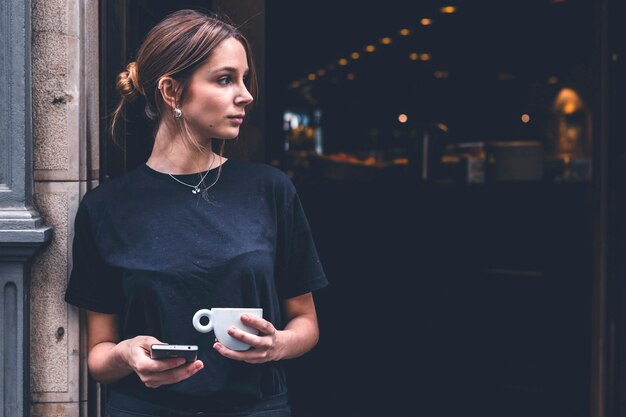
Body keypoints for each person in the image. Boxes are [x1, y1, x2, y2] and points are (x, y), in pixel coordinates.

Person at [64, 9, 328, 417]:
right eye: (225, 79)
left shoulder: (270, 190)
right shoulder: (106, 208)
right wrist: (127, 354)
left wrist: (277, 344)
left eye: (243, 79)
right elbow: (99, 355)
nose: (246, 94)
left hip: (255, 408)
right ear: (172, 92)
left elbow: (305, 323)